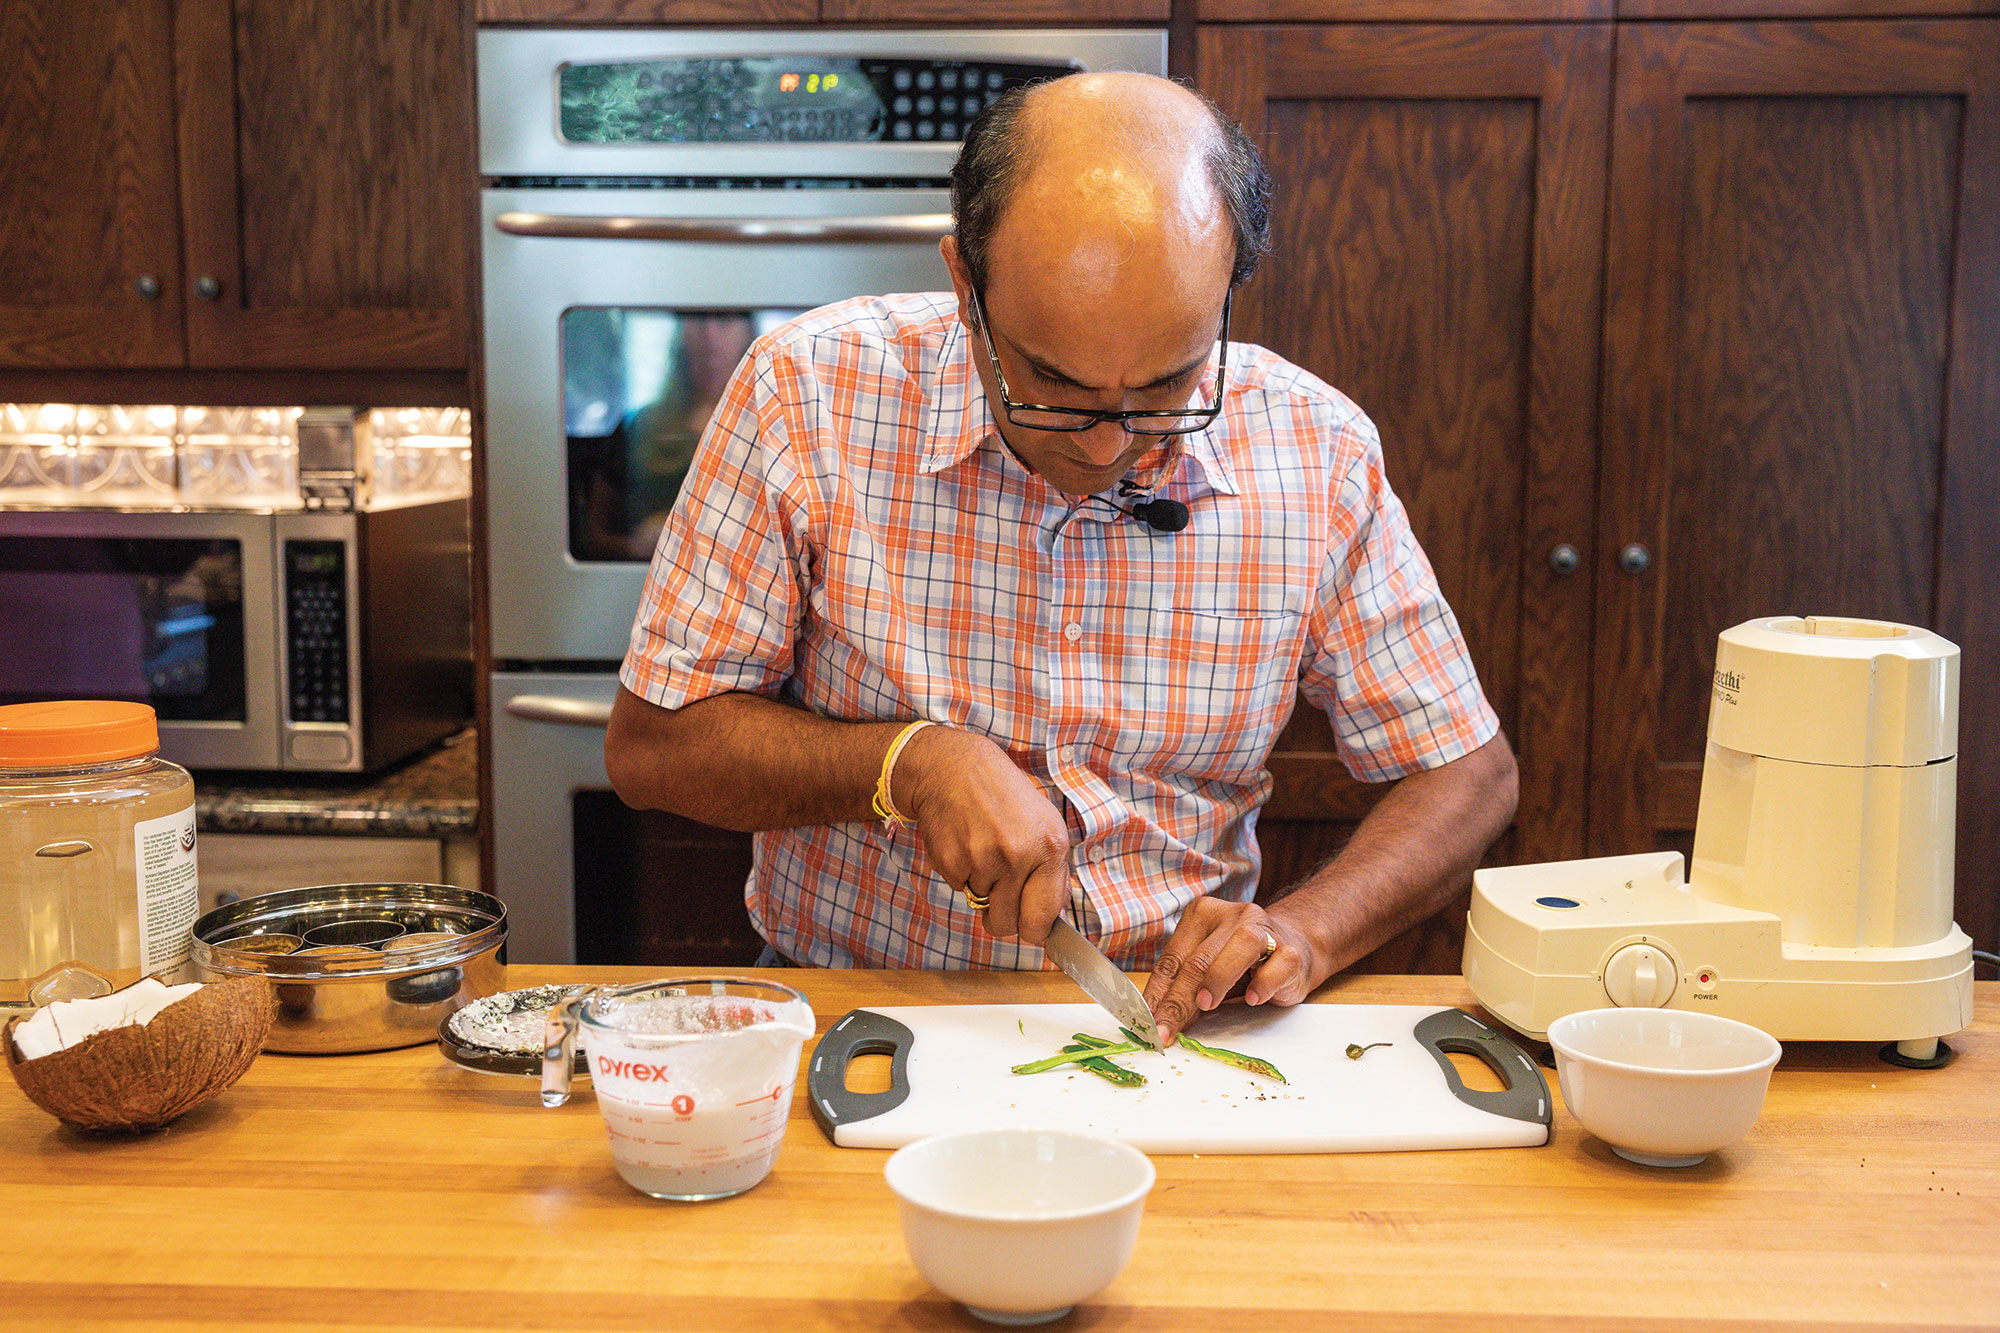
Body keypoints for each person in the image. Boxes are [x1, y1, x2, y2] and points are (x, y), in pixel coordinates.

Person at [605, 71, 1517, 1048]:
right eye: (1049, 381)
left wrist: (1305, 929)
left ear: (1223, 301)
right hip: (861, 1015)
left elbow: (1468, 776)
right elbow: (654, 747)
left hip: (1178, 1034)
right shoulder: (808, 392)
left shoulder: (1315, 448)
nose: (1104, 446)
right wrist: (905, 762)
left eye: (1167, 385)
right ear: (966, 285)